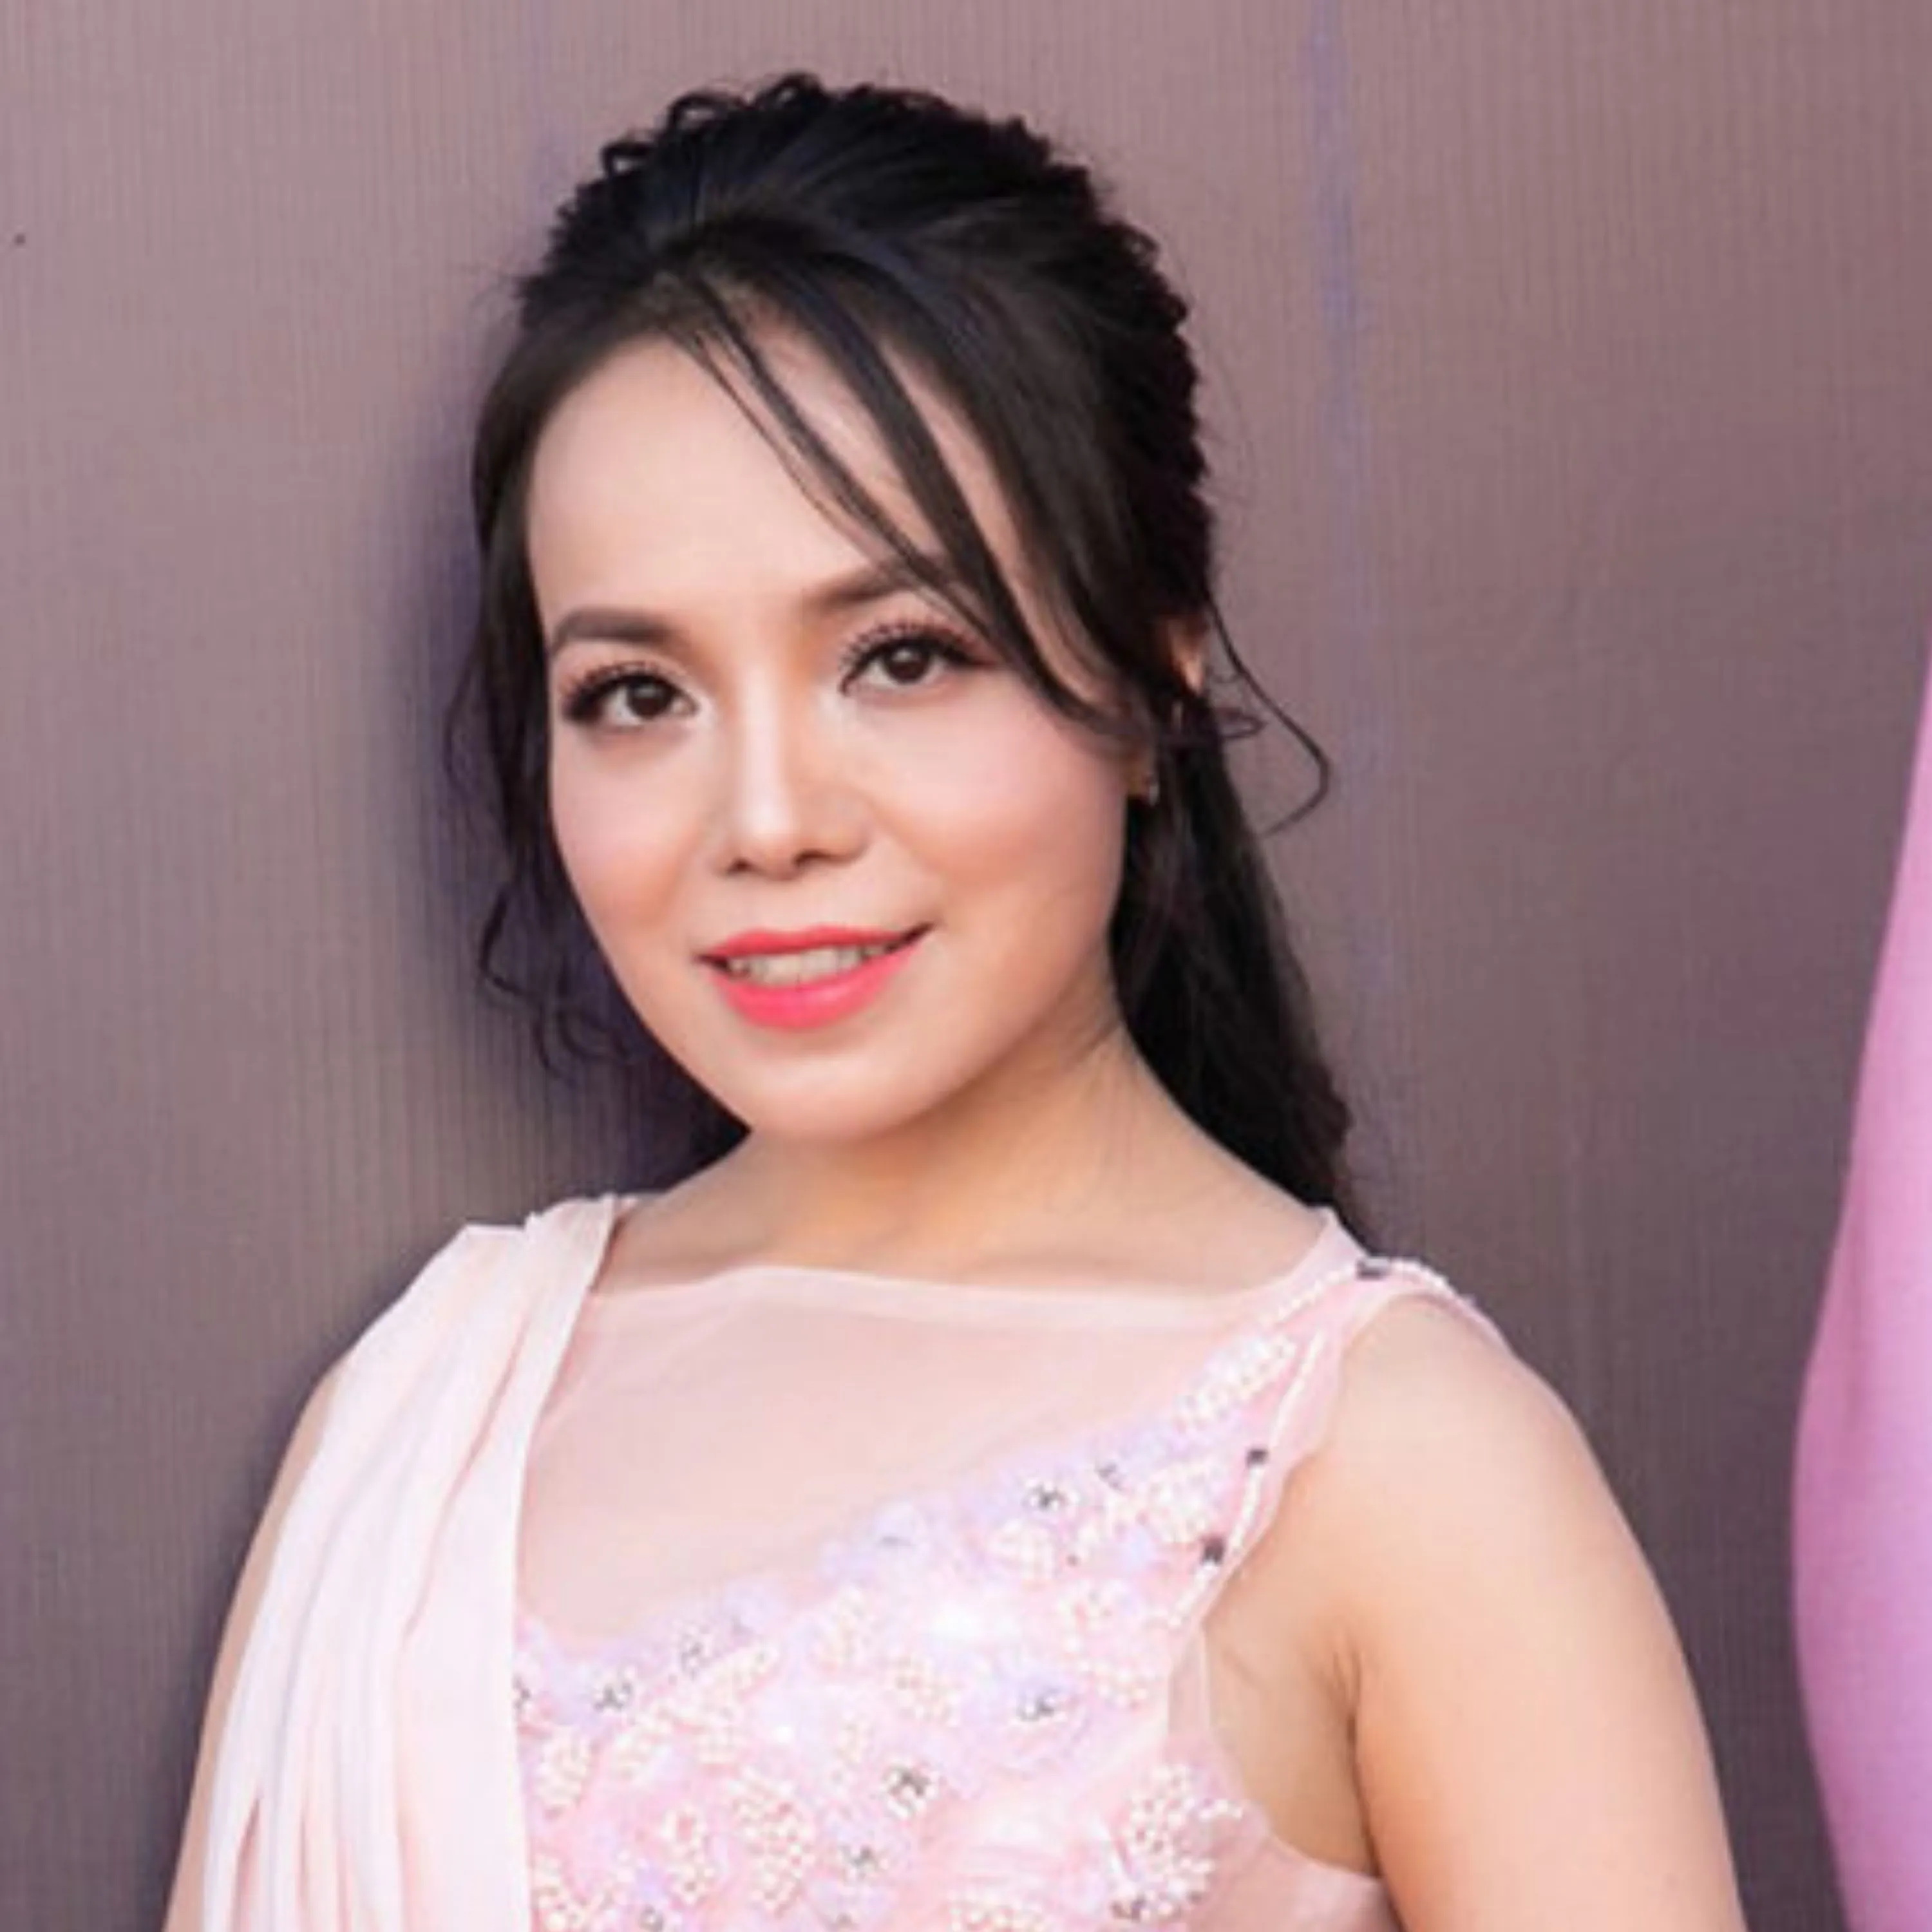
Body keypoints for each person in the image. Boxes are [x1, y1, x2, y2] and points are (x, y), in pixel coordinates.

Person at [164, 73, 1748, 1932]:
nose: (767, 821)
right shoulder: (422, 1422)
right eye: (639, 696)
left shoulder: (1402, 1470)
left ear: (1154, 678)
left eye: (902, 657)